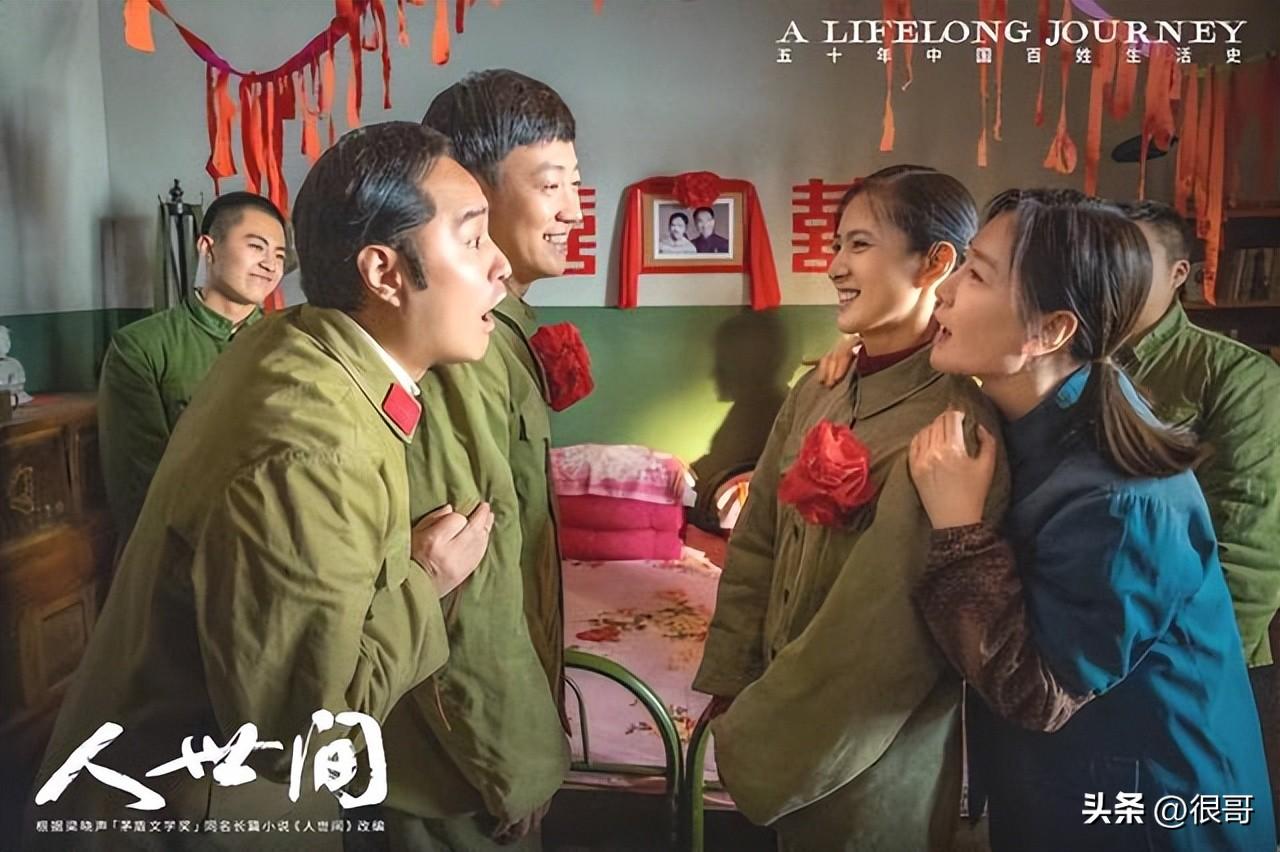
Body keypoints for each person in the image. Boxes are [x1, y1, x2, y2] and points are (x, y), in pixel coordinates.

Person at [26, 121, 505, 851]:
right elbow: (304, 741)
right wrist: (424, 581)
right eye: (473, 239)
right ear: (384, 272)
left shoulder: (298, 347)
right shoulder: (313, 447)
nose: (499, 265)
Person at [910, 188, 1274, 851]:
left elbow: (1039, 693)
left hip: (1152, 810)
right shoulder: (1038, 411)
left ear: (1049, 331)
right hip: (1064, 787)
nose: (947, 290)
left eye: (977, 275)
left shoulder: (1122, 501)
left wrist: (960, 533)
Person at [693, 165, 1010, 851]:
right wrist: (732, 678)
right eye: (837, 244)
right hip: (783, 709)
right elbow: (756, 541)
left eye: (859, 245)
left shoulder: (952, 427)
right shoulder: (818, 390)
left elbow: (880, 632)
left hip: (871, 750)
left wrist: (764, 729)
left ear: (935, 263)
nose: (834, 265)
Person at [374, 70, 582, 850]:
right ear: (473, 192)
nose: (573, 209)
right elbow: (469, 588)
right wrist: (516, 763)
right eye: (551, 184)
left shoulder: (501, 328)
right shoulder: (460, 342)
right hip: (449, 770)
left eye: (575, 183)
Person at [98, 192, 287, 541]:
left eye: (279, 255)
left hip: (276, 545)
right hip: (184, 549)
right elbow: (139, 486)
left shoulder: (290, 344)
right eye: (256, 247)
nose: (270, 265)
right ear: (207, 247)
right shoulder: (141, 346)